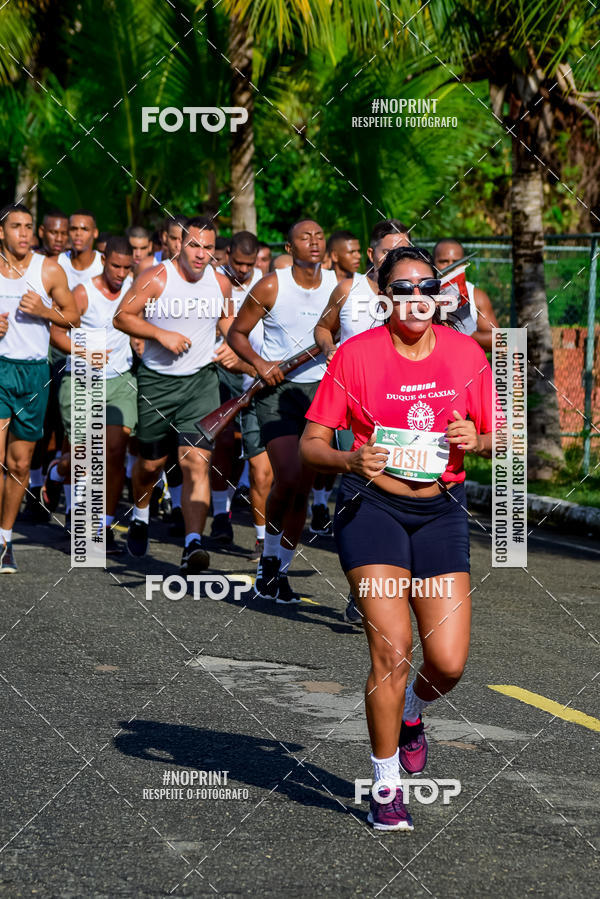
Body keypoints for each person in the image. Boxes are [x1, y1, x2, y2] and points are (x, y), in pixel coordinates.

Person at [300, 245, 496, 831]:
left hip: (440, 511)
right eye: (402, 288)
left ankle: (414, 708)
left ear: (440, 294)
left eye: (425, 286)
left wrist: (477, 440)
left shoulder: (467, 354)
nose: (415, 297)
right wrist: (349, 459)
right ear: (383, 297)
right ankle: (385, 785)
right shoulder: (356, 355)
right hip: (372, 508)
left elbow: (501, 436)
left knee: (449, 662)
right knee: (391, 651)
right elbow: (313, 444)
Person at [114, 216, 233, 574]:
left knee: (196, 462)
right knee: (150, 463)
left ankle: (192, 543)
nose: (201, 255)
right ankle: (140, 514)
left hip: (201, 382)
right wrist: (158, 334)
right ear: (179, 244)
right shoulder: (155, 277)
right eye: (194, 245)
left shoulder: (221, 283)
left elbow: (226, 323)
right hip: (158, 382)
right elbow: (122, 317)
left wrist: (231, 343)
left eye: (208, 247)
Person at [227, 219, 337, 603]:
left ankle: (280, 569)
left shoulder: (338, 287)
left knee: (304, 489)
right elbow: (235, 334)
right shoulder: (272, 284)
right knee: (288, 477)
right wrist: (259, 363)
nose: (314, 242)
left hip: (320, 394)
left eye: (319, 236)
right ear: (289, 249)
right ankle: (267, 559)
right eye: (304, 237)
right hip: (276, 392)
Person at [311, 220, 411, 552]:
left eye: (403, 251)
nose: (396, 257)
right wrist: (329, 350)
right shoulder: (347, 290)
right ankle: (360, 554)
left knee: (396, 475)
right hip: (353, 397)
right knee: (359, 472)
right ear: (372, 254)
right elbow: (323, 328)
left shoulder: (415, 293)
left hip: (403, 397)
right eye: (388, 251)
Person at [44, 237, 137, 553]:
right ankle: (58, 473)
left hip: (121, 381)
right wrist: (84, 350)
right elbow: (56, 333)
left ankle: (103, 527)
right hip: (83, 380)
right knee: (83, 459)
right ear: (103, 260)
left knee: (112, 454)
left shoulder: (134, 289)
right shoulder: (83, 294)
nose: (121, 274)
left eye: (127, 268)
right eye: (115, 266)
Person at [0, 203, 79, 573]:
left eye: (29, 226)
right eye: (16, 226)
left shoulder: (48, 269)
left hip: (34, 372)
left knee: (19, 464)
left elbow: (73, 316)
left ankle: (5, 539)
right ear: (2, 232)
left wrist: (44, 311)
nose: (24, 233)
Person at [210, 230, 264, 545]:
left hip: (252, 370)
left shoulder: (265, 283)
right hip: (218, 370)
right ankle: (220, 516)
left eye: (248, 264)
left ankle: (260, 531)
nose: (242, 270)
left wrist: (249, 359)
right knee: (226, 443)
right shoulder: (215, 281)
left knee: (256, 453)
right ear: (227, 254)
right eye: (237, 263)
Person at [433, 239, 498, 350]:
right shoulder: (421, 293)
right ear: (433, 263)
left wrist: (462, 331)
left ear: (463, 264)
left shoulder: (476, 296)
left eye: (456, 262)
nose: (451, 266)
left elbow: (498, 341)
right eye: (444, 261)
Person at [58, 210, 103, 287]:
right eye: (73, 229)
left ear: (95, 233)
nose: (78, 233)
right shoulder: (57, 263)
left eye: (85, 229)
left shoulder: (104, 264)